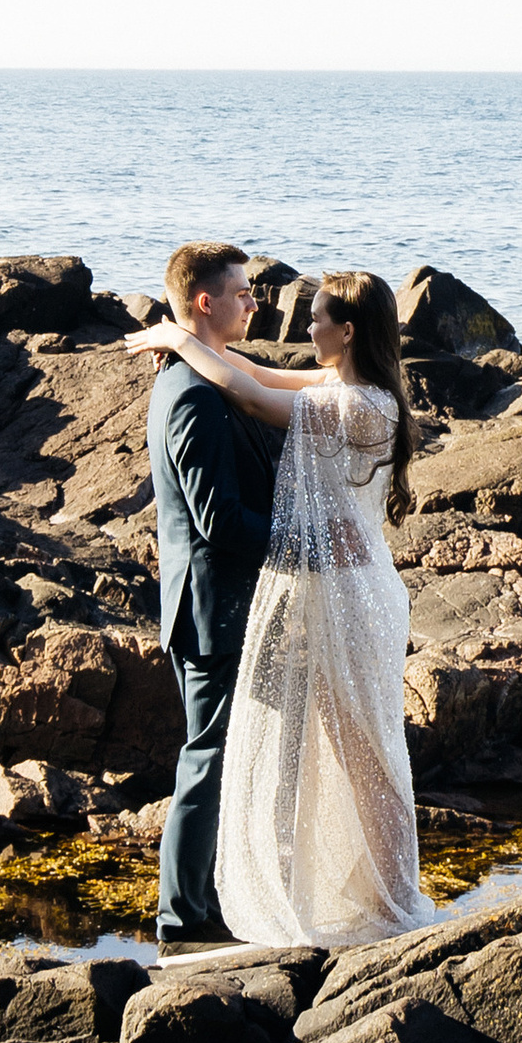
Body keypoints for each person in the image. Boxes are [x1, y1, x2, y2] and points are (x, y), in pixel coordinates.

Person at [128, 265, 433, 949]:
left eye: (318, 318)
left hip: (351, 593)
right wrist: (185, 338)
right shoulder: (346, 386)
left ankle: (394, 898)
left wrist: (177, 337)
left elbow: (245, 388)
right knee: (341, 742)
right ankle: (363, 889)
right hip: (336, 586)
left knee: (364, 748)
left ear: (347, 331)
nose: (306, 327)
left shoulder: (358, 406)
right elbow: (254, 372)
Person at [143, 241, 283, 951]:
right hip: (212, 608)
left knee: (226, 755)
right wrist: (298, 543)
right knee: (209, 758)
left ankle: (211, 902)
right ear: (207, 301)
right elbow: (216, 520)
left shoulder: (200, 375)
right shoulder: (193, 395)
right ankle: (183, 918)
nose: (255, 301)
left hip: (220, 603)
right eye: (244, 291)